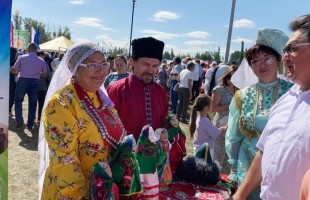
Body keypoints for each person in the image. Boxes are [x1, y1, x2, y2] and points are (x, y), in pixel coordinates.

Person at [230, 20, 310, 199]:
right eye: (255, 61)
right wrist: (239, 192)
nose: (262, 64)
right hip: (248, 169)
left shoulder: (286, 90)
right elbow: (259, 147)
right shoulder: (287, 99)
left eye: (292, 49)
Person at [38, 42, 127, 199]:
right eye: (93, 65)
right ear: (75, 67)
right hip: (78, 191)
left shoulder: (102, 98)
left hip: (105, 190)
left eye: (104, 64)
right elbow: (65, 159)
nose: (101, 71)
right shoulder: (62, 103)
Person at [107, 37, 169, 141]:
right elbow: (107, 127)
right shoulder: (116, 89)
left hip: (156, 155)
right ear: (132, 62)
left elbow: (164, 123)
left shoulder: (160, 91)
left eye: (155, 65)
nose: (150, 70)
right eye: (145, 64)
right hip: (125, 154)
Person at [11, 43, 47, 129]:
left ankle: (19, 121)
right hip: (35, 82)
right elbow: (44, 74)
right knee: (33, 103)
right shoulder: (41, 61)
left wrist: (17, 73)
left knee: (18, 101)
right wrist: (37, 74)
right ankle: (30, 124)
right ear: (36, 50)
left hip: (22, 80)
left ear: (28, 49)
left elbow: (13, 70)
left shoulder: (21, 57)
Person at [211, 66, 238, 174]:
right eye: (230, 77)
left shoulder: (240, 90)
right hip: (220, 125)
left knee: (229, 157)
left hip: (233, 126)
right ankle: (212, 180)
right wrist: (229, 106)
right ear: (226, 77)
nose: (232, 79)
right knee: (217, 156)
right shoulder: (219, 89)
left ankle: (224, 182)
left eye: (235, 77)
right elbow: (212, 108)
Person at [36, 51, 52, 123]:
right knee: (41, 103)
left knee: (32, 103)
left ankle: (32, 118)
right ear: (41, 55)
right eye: (43, 56)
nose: (44, 57)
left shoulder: (32, 63)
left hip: (33, 86)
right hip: (42, 86)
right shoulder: (44, 63)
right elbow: (48, 75)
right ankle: (39, 118)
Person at [9, 47, 17, 116]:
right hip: (11, 80)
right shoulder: (13, 61)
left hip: (3, 79)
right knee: (11, 95)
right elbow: (15, 72)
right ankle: (9, 110)